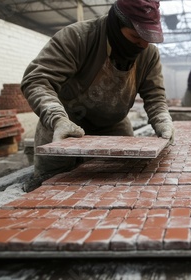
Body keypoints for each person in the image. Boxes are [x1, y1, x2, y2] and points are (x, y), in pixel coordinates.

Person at [21, 0, 174, 180]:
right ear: (117, 25)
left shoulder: (148, 54)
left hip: (113, 125)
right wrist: (56, 118)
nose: (143, 44)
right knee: (54, 184)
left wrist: (162, 119)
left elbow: (154, 96)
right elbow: (37, 80)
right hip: (65, 125)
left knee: (126, 179)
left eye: (148, 38)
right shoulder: (78, 37)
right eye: (135, 37)